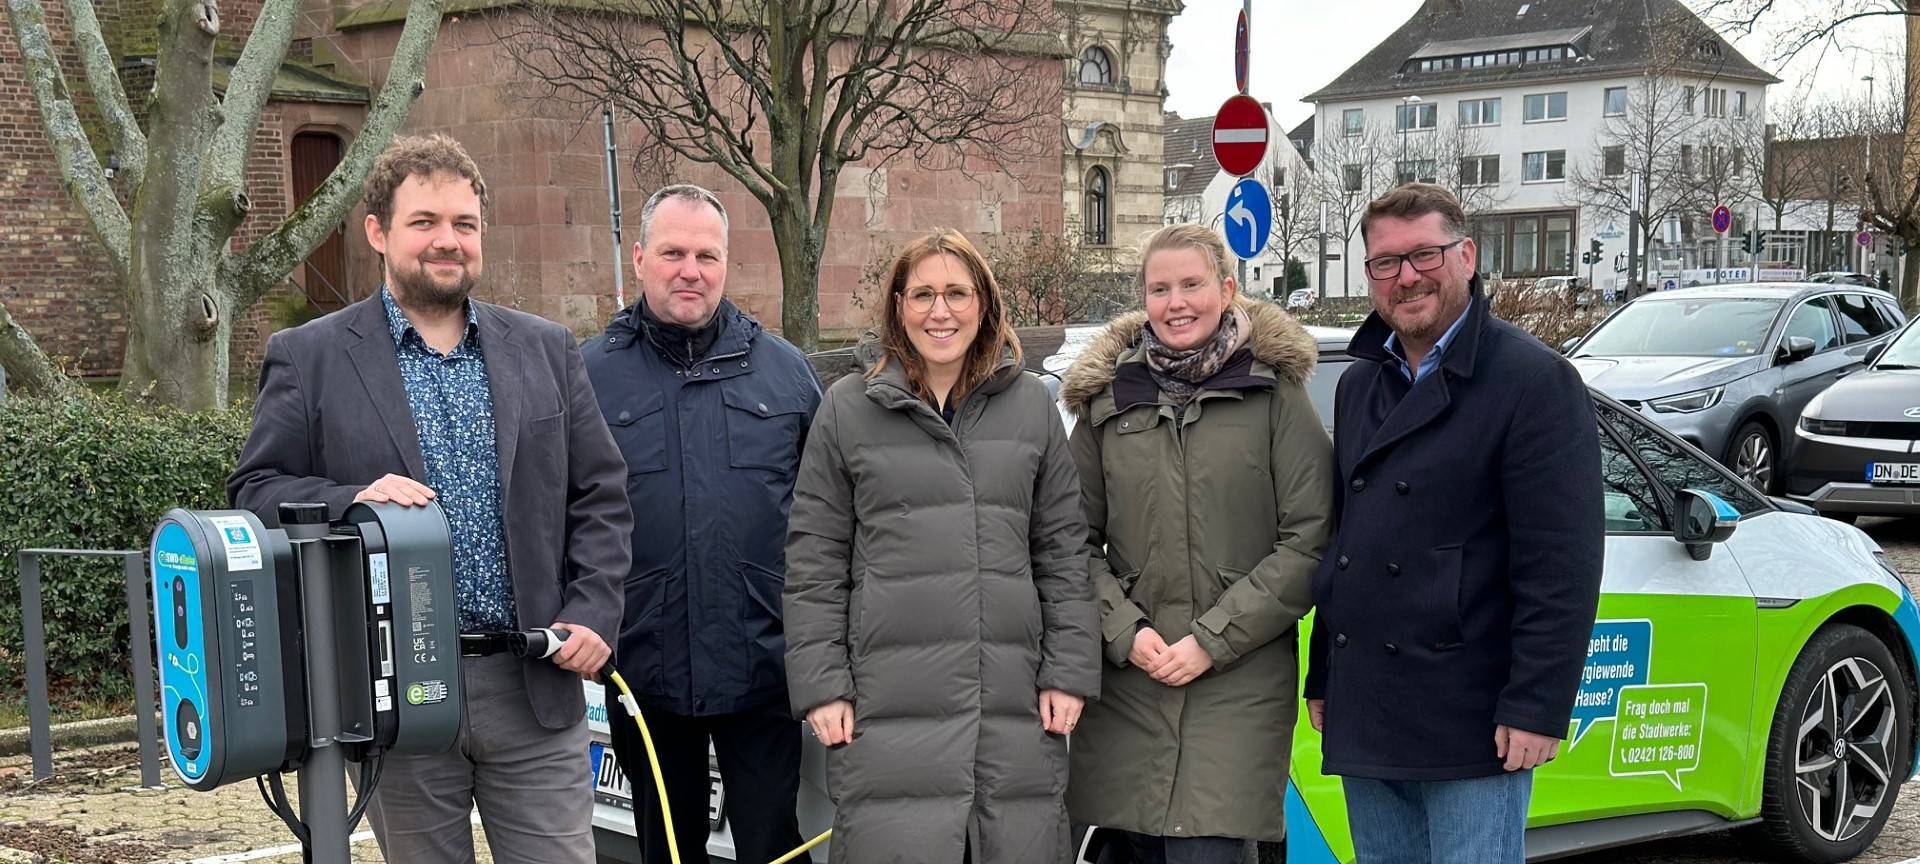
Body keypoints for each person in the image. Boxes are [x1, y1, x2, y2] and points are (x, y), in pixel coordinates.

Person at [227, 133, 633, 864]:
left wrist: (595, 609)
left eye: (464, 225)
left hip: (534, 686)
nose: (448, 242)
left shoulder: (545, 348)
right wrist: (352, 497)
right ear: (378, 232)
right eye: (425, 223)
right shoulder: (311, 356)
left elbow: (600, 494)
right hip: (395, 690)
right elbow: (256, 491)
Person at [1303, 183, 1603, 864]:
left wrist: (1537, 705)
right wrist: (1325, 674)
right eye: (1385, 263)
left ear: (1466, 256)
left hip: (1471, 718)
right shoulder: (1359, 384)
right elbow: (1349, 543)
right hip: (1370, 707)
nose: (1406, 277)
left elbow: (1561, 564)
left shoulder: (1533, 380)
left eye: (1423, 256)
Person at [783, 230, 1099, 864]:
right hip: (887, 708)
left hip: (1009, 706)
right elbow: (814, 561)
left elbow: (1064, 552)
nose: (940, 310)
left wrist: (1067, 670)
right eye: (923, 294)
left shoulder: (1032, 406)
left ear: (983, 303)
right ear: (899, 306)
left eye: (957, 293)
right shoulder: (847, 411)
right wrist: (822, 686)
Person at [1058, 223, 1333, 863]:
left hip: (1237, 684)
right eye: (1160, 288)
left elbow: (1310, 539)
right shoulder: (1107, 404)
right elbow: (1067, 540)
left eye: (1192, 284)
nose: (1175, 302)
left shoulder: (1276, 396)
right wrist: (1122, 629)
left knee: (1206, 850)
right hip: (1130, 680)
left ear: (1228, 289)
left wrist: (1213, 640)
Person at [581, 184, 821, 864]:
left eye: (707, 255)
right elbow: (557, 514)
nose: (691, 270)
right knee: (668, 851)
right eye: (673, 253)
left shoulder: (785, 374)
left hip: (762, 670)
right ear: (639, 258)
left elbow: (829, 521)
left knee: (774, 846)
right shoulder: (588, 376)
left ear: (726, 263)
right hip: (646, 673)